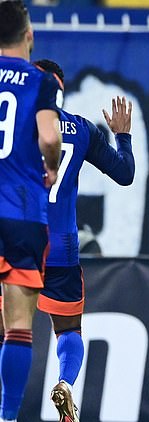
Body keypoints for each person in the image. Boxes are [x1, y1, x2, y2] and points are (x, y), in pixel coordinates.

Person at [33, 59, 135, 422]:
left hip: (20, 241)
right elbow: (124, 174)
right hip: (63, 246)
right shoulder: (81, 129)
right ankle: (65, 383)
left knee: (8, 327)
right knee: (69, 330)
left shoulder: (13, 127)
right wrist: (122, 136)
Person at [0, 2, 63, 421]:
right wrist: (52, 167)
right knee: (18, 324)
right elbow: (48, 136)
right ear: (29, 36)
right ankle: (7, 417)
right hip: (20, 210)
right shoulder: (42, 81)